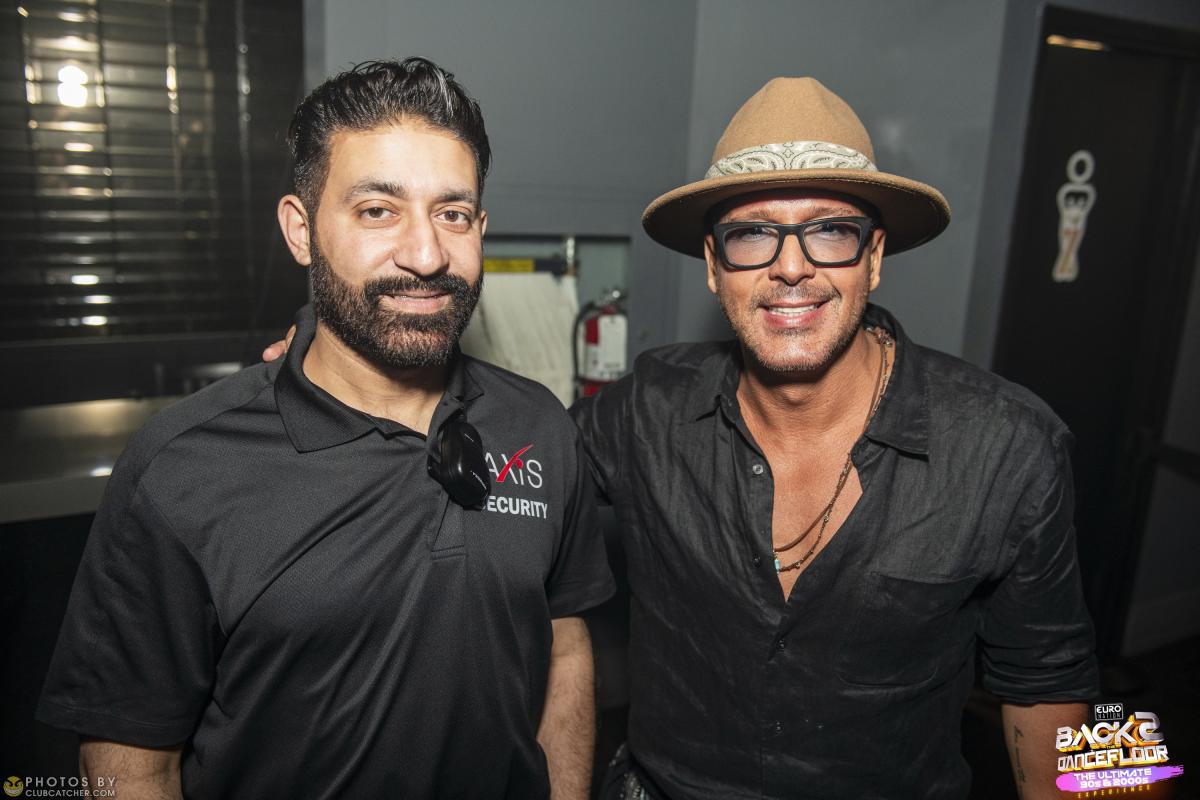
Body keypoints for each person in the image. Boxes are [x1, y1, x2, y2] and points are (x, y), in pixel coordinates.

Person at [38, 58, 613, 800]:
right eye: (377, 210)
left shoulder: (538, 425)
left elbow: (563, 643)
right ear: (301, 230)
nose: (426, 254)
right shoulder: (183, 468)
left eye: (452, 213)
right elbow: (130, 759)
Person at [571, 78, 1098, 799]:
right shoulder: (646, 411)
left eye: (829, 230)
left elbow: (1047, 682)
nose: (792, 267)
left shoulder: (1006, 446)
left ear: (873, 256)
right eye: (752, 234)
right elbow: (521, 476)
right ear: (714, 266)